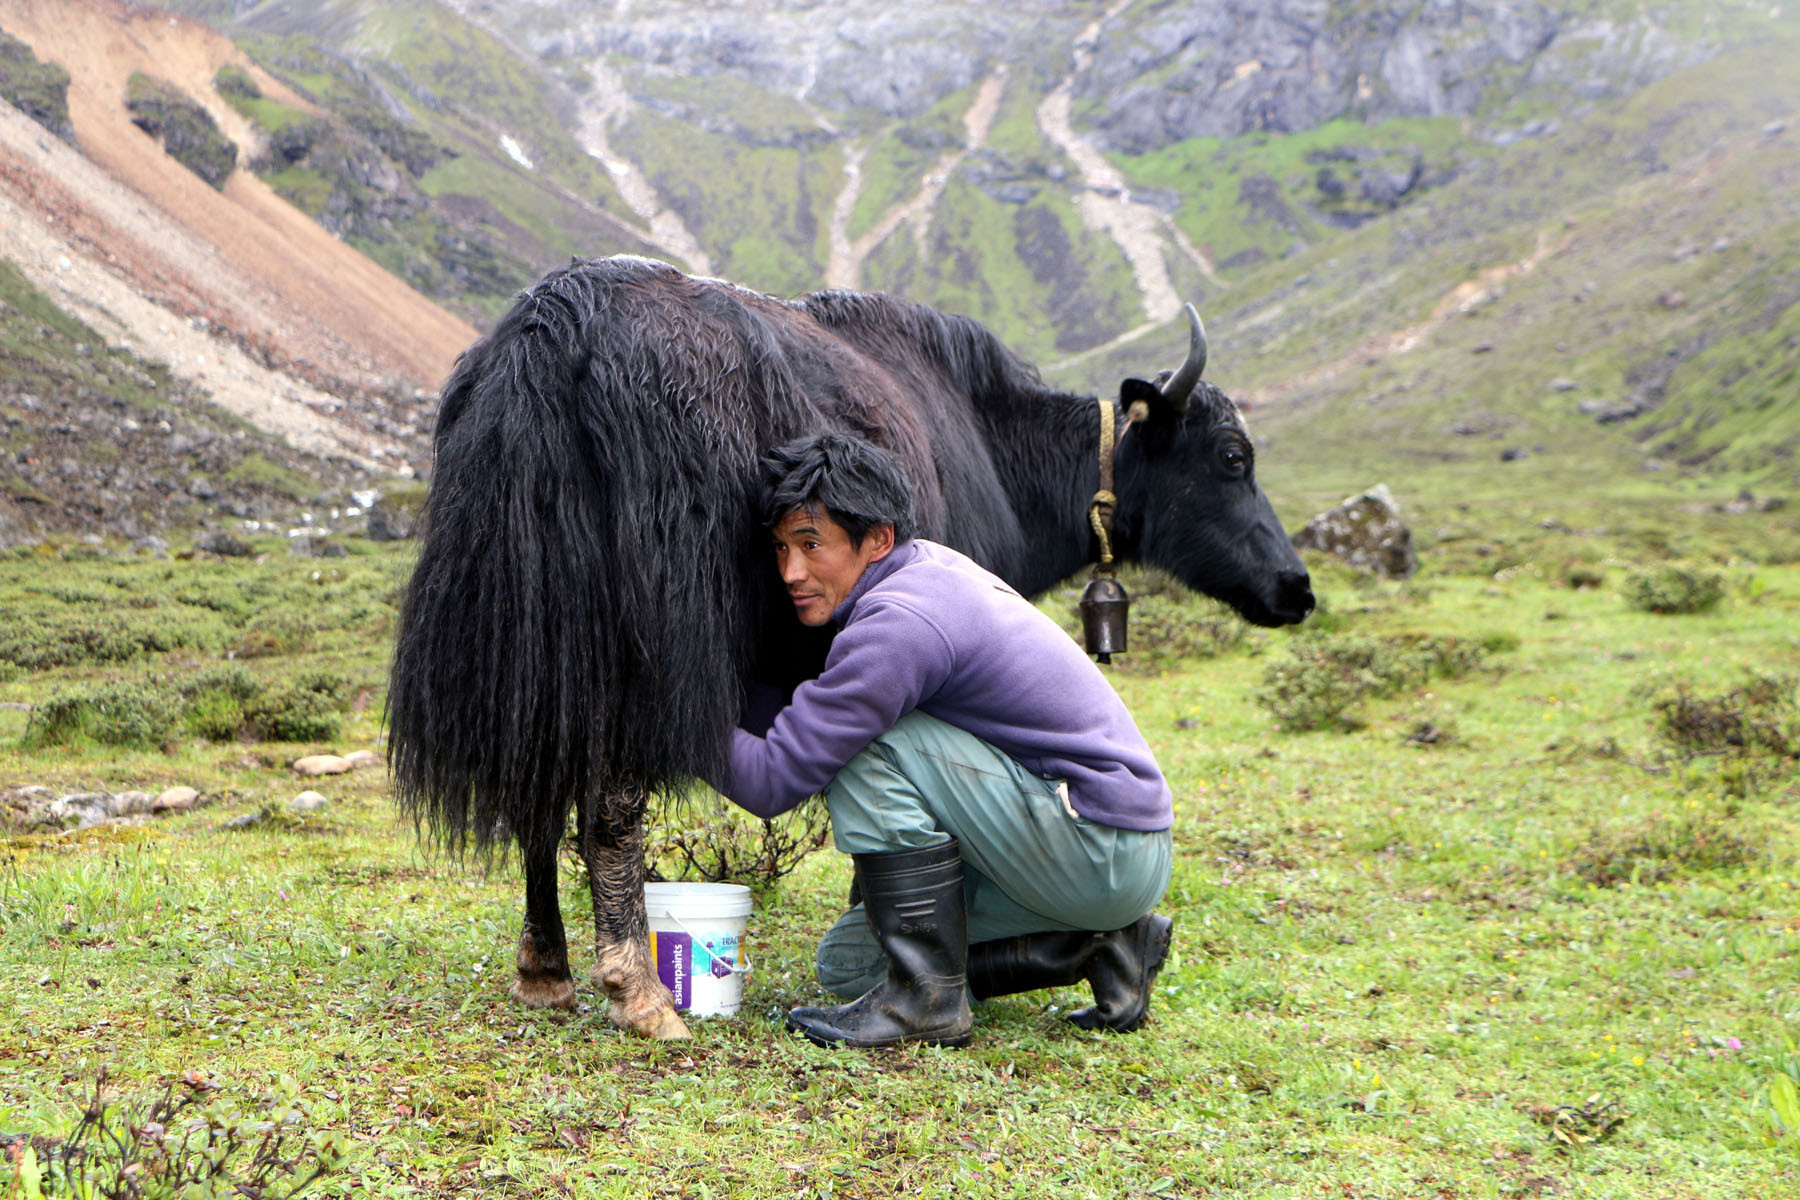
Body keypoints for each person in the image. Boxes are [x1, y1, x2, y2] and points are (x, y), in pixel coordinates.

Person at [713, 433, 1174, 1049]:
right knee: (848, 966)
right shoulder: (923, 567)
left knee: (875, 746)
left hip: (1098, 842)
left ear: (877, 538)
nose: (791, 571)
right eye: (781, 547)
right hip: (1098, 843)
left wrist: (673, 720)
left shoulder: (901, 622)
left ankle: (924, 1005)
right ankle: (1102, 940)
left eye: (811, 544)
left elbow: (774, 778)